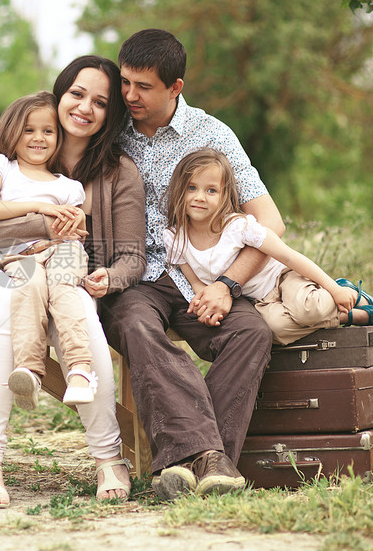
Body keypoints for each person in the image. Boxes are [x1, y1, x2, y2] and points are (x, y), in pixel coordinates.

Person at [0, 56, 146, 508]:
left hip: (65, 274)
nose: (85, 107)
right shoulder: (4, 158)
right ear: (61, 93)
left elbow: (130, 255)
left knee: (83, 319)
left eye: (101, 102)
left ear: (112, 115)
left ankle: (108, 457)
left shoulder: (116, 172)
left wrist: (107, 275)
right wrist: (40, 225)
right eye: (77, 94)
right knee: (6, 302)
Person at [99, 28, 286, 501]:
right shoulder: (109, 130)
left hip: (201, 272)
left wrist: (226, 284)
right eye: (125, 82)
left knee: (251, 333)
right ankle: (210, 461)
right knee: (138, 327)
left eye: (143, 87)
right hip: (135, 276)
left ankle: (183, 466)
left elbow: (271, 223)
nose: (129, 95)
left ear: (175, 87)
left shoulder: (212, 134)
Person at [163, 147, 373, 346]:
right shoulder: (175, 238)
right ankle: (352, 316)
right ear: (179, 190)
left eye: (211, 190)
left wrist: (333, 288)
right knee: (275, 330)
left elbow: (289, 257)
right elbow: (196, 283)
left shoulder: (238, 226)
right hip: (258, 299)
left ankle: (349, 293)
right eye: (192, 188)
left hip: (283, 278)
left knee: (309, 309)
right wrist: (207, 309)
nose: (200, 197)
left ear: (224, 197)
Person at [0, 91, 98, 408]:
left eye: (48, 131)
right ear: (13, 133)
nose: (38, 138)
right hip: (22, 254)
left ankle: (81, 371)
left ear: (59, 137)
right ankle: (29, 372)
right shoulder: (0, 165)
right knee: (28, 288)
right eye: (29, 130)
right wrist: (38, 208)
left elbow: (79, 229)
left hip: (63, 249)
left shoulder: (69, 186)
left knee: (63, 290)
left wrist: (75, 221)